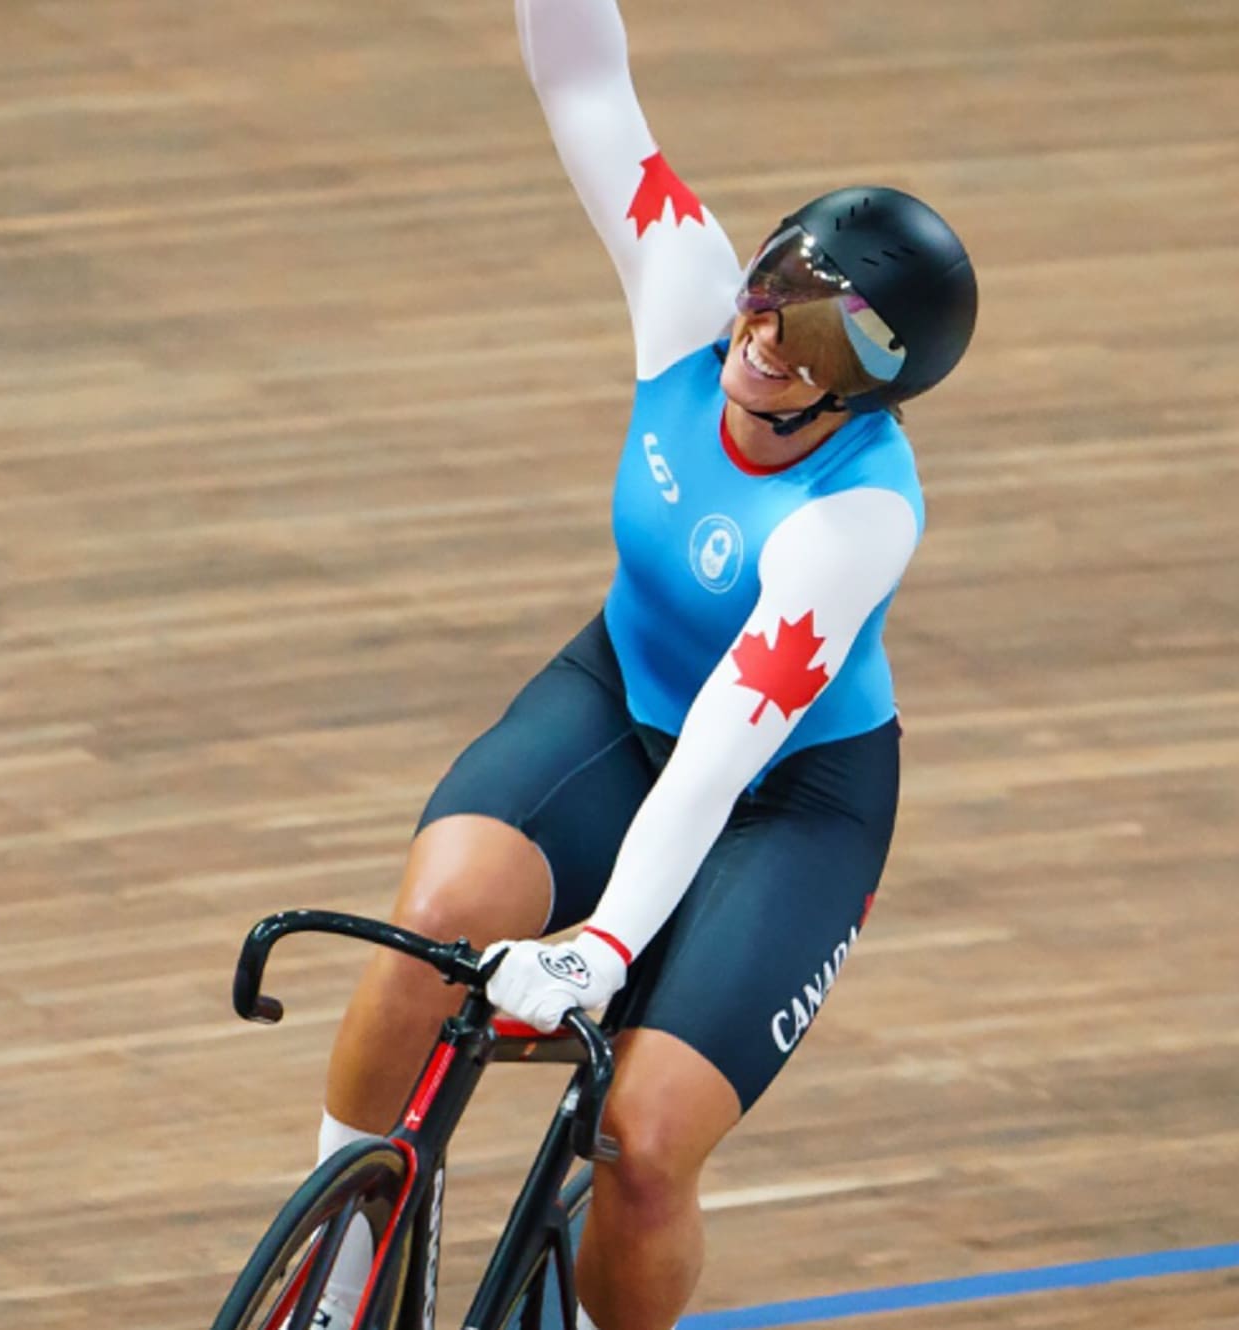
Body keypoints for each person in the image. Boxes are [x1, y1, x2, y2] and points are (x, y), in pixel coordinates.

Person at [309, 1, 977, 1326]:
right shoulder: (687, 294)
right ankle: (328, 1281)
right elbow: (582, 79)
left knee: (646, 1139)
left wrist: (605, 944)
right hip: (619, 698)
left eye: (828, 341)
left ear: (867, 396)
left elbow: (732, 743)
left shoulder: (858, 519)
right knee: (437, 914)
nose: (774, 336)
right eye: (783, 285)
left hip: (792, 799)